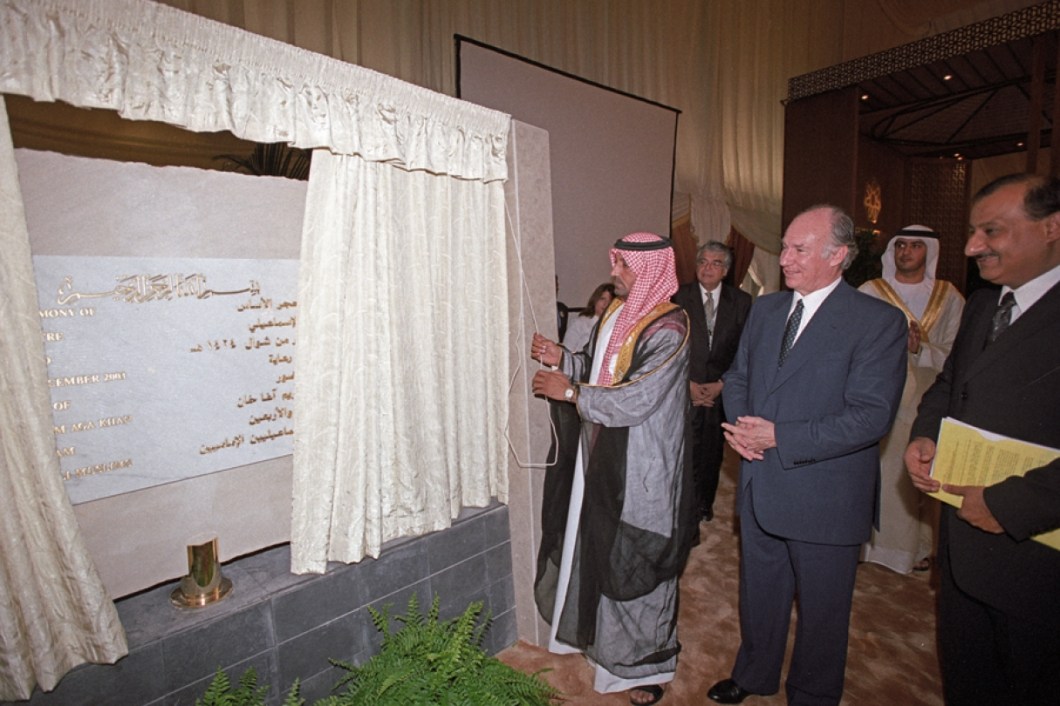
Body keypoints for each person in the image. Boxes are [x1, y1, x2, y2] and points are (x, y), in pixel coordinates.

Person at [707, 205, 907, 706]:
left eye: (800, 249)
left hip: (826, 493)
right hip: (758, 478)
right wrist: (742, 427)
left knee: (823, 612)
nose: (787, 258)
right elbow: (738, 377)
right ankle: (754, 675)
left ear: (838, 255)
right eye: (787, 246)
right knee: (760, 594)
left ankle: (813, 695)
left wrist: (779, 437)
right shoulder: (768, 308)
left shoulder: (878, 322)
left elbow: (869, 417)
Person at [904, 173, 1060, 706]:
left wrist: (1010, 505)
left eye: (990, 231)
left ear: (1052, 228)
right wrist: (926, 436)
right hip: (963, 549)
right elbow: (951, 384)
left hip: (1035, 559)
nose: (972, 247)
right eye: (973, 232)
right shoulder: (983, 303)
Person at [530, 232, 696, 706]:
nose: (614, 273)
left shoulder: (670, 328)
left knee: (636, 560)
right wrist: (564, 359)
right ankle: (601, 648)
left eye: (622, 266)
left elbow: (637, 396)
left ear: (647, 270)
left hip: (641, 469)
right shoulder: (617, 314)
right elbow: (602, 370)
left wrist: (571, 393)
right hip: (599, 457)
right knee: (598, 548)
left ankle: (642, 669)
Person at [858, 225, 964, 574]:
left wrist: (921, 349)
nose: (906, 251)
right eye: (900, 245)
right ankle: (866, 546)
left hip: (926, 397)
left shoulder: (949, 297)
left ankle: (907, 552)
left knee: (913, 470)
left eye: (916, 246)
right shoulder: (870, 291)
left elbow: (959, 352)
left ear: (928, 252)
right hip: (876, 392)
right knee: (877, 469)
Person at [672, 241, 751, 522]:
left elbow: (746, 351)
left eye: (716, 263)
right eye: (703, 262)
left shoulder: (742, 303)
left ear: (726, 270)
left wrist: (722, 384)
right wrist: (687, 384)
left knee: (712, 451)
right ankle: (684, 506)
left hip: (721, 389)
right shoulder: (677, 297)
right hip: (684, 387)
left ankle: (705, 504)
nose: (708, 268)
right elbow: (669, 347)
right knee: (683, 449)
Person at [563, 282, 615, 353]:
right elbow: (566, 350)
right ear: (595, 300)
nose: (605, 304)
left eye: (610, 301)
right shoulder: (580, 323)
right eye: (602, 299)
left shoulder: (614, 326)